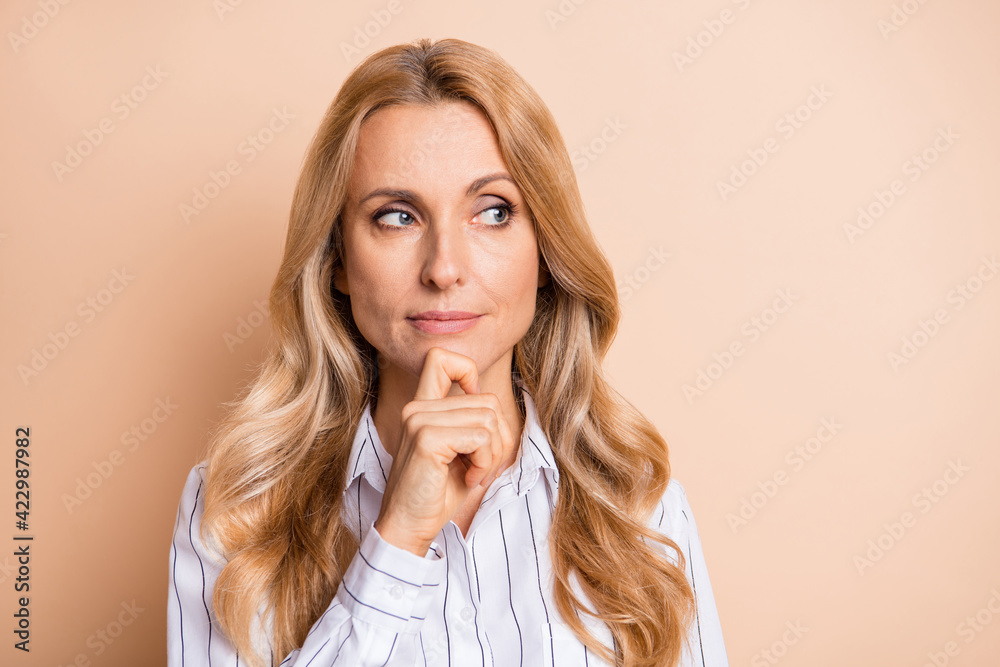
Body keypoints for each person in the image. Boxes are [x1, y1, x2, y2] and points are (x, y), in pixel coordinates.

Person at [167, 37, 729, 667]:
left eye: (492, 211)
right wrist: (396, 542)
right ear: (337, 263)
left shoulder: (640, 508)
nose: (443, 268)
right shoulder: (239, 511)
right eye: (396, 217)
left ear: (547, 255)